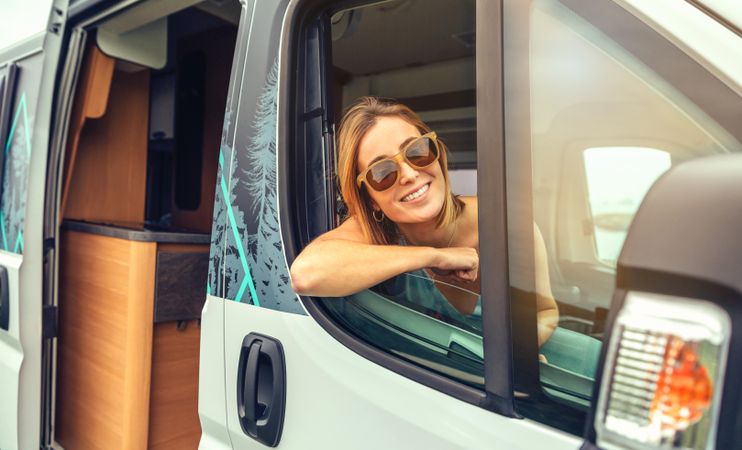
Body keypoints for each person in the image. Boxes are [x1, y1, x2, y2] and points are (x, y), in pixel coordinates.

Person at [290, 96, 558, 345]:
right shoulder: (375, 234)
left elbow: (544, 314)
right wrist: (434, 257)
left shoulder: (506, 224)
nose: (408, 174)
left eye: (417, 151)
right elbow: (306, 273)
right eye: (382, 172)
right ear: (370, 199)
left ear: (437, 153)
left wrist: (501, 357)